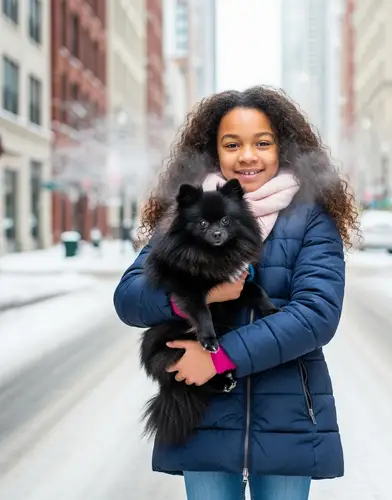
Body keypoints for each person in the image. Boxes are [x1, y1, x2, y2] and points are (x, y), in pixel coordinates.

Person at [113, 86, 358, 500]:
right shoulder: (186, 217)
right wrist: (201, 298)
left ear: (284, 148)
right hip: (202, 416)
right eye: (233, 144)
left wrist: (218, 359)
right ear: (215, 151)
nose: (248, 156)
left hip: (288, 418)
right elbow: (129, 298)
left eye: (262, 143)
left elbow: (315, 316)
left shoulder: (311, 221)